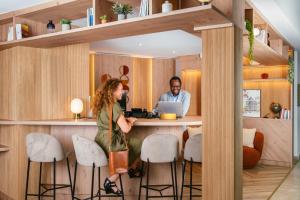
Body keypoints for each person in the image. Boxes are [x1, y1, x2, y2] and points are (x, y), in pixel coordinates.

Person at [93, 78, 142, 195]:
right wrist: (131, 122)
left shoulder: (102, 104)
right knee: (137, 143)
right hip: (111, 142)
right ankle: (111, 181)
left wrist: (124, 119)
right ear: (113, 91)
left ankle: (131, 169)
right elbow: (126, 129)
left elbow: (109, 120)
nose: (122, 92)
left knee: (132, 144)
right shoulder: (115, 106)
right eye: (120, 90)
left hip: (100, 140)